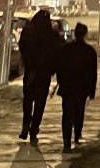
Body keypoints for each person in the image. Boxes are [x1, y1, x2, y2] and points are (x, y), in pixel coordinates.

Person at [18, 9, 65, 145]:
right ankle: (33, 130)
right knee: (39, 104)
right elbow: (60, 52)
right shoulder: (51, 36)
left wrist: (28, 62)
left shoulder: (28, 33)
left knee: (28, 101)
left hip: (31, 73)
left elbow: (22, 47)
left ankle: (26, 126)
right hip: (44, 74)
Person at [55, 23, 97, 154]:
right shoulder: (89, 51)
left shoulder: (66, 49)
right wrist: (92, 89)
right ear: (85, 34)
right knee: (79, 112)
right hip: (81, 88)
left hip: (67, 87)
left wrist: (60, 82)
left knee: (67, 114)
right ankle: (77, 135)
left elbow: (59, 68)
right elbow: (93, 72)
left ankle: (66, 140)